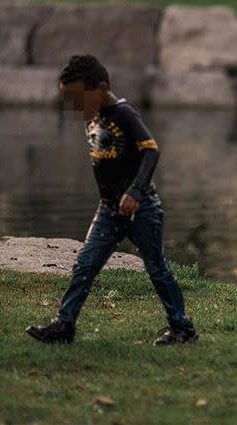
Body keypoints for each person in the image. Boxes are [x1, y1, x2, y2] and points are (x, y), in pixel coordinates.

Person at [26, 55, 198, 345]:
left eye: (78, 99)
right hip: (108, 210)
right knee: (85, 265)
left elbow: (151, 150)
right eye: (69, 100)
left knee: (156, 268)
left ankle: (182, 327)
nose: (74, 107)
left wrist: (135, 191)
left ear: (102, 88)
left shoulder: (124, 114)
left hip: (141, 208)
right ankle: (64, 325)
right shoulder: (93, 116)